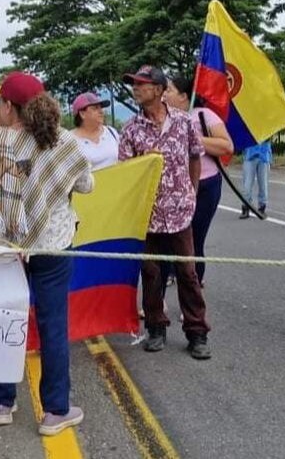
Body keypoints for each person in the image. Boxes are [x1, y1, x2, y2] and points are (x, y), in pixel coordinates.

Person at [0, 72, 92, 435]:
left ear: (7, 106)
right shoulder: (62, 141)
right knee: (53, 326)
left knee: (3, 320)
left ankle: (2, 403)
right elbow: (86, 183)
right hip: (53, 245)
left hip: (7, 249)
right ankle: (55, 411)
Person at [118, 65, 212, 360]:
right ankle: (156, 327)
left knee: (187, 272)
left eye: (141, 84)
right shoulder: (131, 129)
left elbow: (195, 157)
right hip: (147, 215)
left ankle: (197, 332)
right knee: (151, 272)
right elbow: (125, 172)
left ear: (159, 90)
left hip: (180, 211)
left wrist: (191, 191)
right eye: (134, 84)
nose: (135, 88)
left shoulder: (184, 121)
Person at [163, 78, 233, 286]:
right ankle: (171, 274)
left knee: (194, 238)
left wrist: (193, 137)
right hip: (175, 187)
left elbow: (226, 146)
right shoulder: (164, 118)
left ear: (184, 96)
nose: (164, 94)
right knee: (171, 237)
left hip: (205, 185)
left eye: (169, 90)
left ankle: (194, 287)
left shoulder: (204, 115)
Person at [70, 92, 118, 170]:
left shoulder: (111, 132)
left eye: (101, 108)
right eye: (95, 108)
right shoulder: (70, 140)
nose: (101, 111)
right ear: (82, 114)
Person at [240, 140, 271, 219]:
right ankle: (246, 207)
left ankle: (262, 207)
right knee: (247, 184)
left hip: (264, 154)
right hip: (250, 154)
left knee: (263, 184)